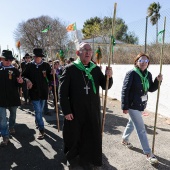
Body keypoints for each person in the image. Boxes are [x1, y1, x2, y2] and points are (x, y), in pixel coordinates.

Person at [59, 42, 113, 169]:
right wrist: (66, 111)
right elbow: (62, 93)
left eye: (90, 50)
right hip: (75, 110)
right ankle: (72, 157)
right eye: (85, 49)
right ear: (78, 53)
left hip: (92, 109)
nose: (88, 52)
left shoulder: (95, 69)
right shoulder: (70, 69)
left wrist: (108, 77)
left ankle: (88, 158)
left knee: (91, 134)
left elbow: (106, 86)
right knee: (74, 135)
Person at [121, 53, 163, 164]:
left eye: (146, 61)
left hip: (141, 104)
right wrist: (124, 106)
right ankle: (148, 153)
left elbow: (151, 89)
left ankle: (125, 139)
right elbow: (125, 90)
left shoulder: (148, 74)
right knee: (141, 129)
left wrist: (158, 81)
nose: (144, 62)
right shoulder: (132, 73)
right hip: (132, 105)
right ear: (136, 62)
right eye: (141, 60)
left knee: (131, 123)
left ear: (148, 63)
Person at [22, 48, 52, 139]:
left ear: (41, 57)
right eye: (36, 56)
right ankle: (41, 130)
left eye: (39, 57)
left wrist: (53, 75)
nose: (37, 58)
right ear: (34, 56)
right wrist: (27, 80)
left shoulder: (46, 65)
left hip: (43, 92)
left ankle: (37, 121)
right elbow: (23, 75)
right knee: (38, 111)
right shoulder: (29, 65)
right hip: (33, 91)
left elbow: (50, 77)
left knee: (40, 111)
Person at [0, 50, 23, 146]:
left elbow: (19, 83)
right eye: (6, 59)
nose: (8, 61)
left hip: (13, 97)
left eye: (10, 59)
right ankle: (5, 136)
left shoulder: (15, 70)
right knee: (2, 118)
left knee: (13, 115)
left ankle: (12, 126)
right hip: (1, 98)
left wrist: (21, 82)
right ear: (1, 59)